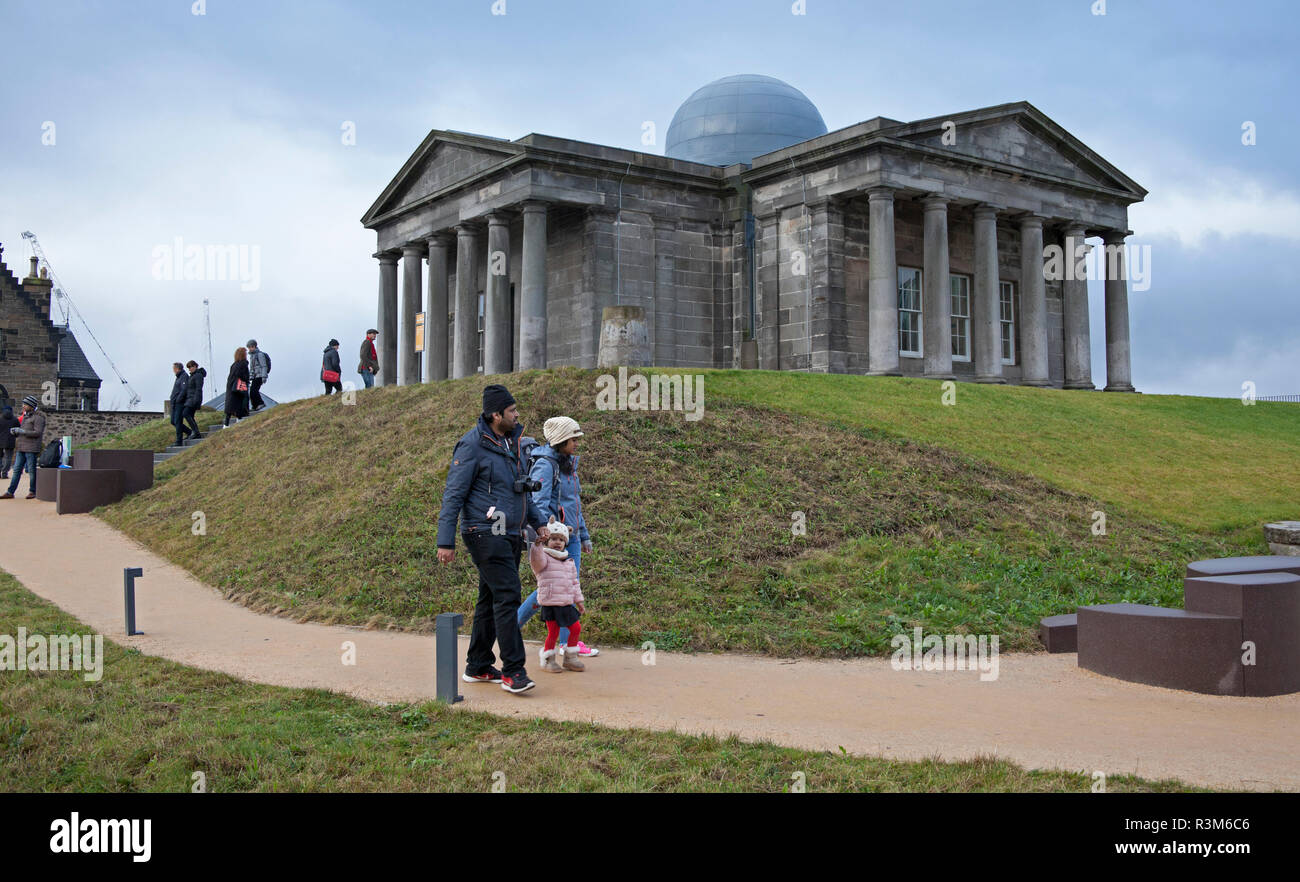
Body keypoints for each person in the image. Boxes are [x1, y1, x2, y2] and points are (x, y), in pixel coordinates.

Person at [436, 384, 551, 694]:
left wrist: (538, 523)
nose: (517, 415)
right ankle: (514, 671)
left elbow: (520, 489)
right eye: (512, 411)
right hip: (484, 532)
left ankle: (478, 665)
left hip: (510, 533)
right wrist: (444, 541)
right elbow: (453, 495)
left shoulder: (510, 443)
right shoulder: (471, 446)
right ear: (495, 414)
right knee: (508, 595)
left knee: (489, 599)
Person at [517, 416, 598, 657]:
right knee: (552, 585)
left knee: (566, 586)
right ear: (560, 440)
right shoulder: (545, 465)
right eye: (573, 438)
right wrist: (547, 536)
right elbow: (538, 504)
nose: (576, 443)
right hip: (554, 539)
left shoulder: (568, 466)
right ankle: (512, 626)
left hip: (570, 538)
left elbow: (575, 505)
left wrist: (583, 536)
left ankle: (566, 644)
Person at [529, 517, 585, 673]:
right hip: (550, 603)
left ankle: (570, 658)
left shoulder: (568, 561)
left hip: (566, 603)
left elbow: (574, 583)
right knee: (553, 633)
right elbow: (536, 561)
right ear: (548, 540)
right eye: (553, 538)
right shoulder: (543, 558)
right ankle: (548, 660)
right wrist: (537, 544)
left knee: (576, 628)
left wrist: (579, 601)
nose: (558, 542)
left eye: (561, 539)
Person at [1, 396, 46, 500]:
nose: (23, 406)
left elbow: (38, 433)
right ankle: (10, 492)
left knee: (31, 470)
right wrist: (16, 432)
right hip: (21, 447)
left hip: (31, 448)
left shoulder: (38, 417)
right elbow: (24, 431)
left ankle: (32, 491)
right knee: (16, 470)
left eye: (25, 404)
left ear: (31, 405)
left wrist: (23, 432)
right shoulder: (26, 416)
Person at [224, 347, 250, 426]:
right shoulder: (243, 364)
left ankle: (226, 424)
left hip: (231, 387)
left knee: (230, 406)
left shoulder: (234, 365)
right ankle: (239, 419)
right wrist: (247, 379)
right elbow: (243, 375)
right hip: (239, 387)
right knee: (241, 403)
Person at [182, 360, 206, 440]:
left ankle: (196, 432)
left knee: (186, 413)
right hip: (190, 399)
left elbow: (198, 389)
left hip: (193, 399)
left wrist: (196, 400)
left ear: (195, 366)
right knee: (190, 415)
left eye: (191, 367)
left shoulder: (198, 375)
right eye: (189, 368)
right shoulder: (192, 376)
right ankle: (195, 432)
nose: (190, 369)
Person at [246, 339, 271, 411]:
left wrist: (264, 376)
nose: (249, 349)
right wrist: (250, 376)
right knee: (252, 391)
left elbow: (263, 366)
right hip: (255, 376)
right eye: (248, 347)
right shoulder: (252, 356)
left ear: (254, 346)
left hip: (260, 376)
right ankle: (255, 406)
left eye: (250, 347)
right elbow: (252, 368)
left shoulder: (260, 355)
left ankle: (260, 403)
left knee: (254, 391)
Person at [170, 362, 191, 445]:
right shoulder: (178, 377)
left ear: (177, 369)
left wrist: (178, 399)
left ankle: (179, 441)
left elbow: (184, 389)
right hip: (175, 403)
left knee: (178, 421)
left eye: (174, 369)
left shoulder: (184, 376)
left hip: (180, 403)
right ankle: (189, 432)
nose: (173, 371)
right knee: (173, 421)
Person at [0, 405, 19, 479]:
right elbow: (18, 430)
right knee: (8, 458)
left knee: (0, 457)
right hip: (10, 440)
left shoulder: (0, 419)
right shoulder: (15, 419)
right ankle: (4, 473)